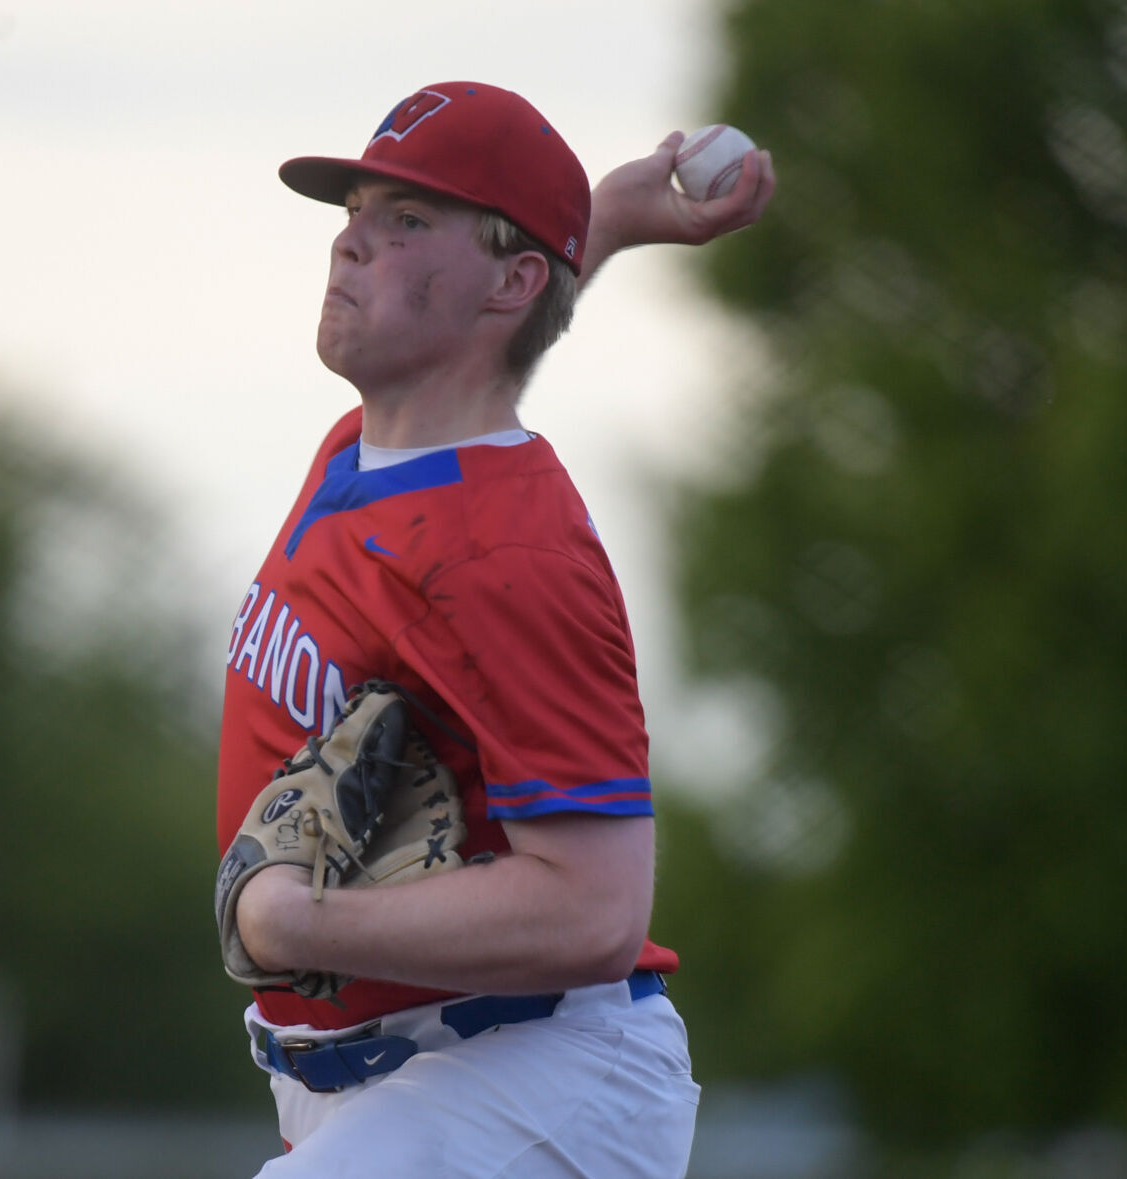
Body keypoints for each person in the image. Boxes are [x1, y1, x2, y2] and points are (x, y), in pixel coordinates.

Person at [215, 80, 774, 1178]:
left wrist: (294, 927)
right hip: (378, 1090)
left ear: (514, 280)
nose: (351, 246)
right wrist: (598, 221)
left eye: (406, 220)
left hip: (535, 1079)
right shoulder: (356, 449)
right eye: (355, 212)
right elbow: (493, 338)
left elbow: (595, 909)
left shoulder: (507, 560)